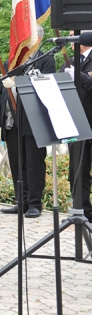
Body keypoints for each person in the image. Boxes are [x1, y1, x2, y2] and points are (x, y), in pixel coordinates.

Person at [0, 26, 56, 218]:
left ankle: (35, 203)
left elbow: (47, 87)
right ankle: (20, 201)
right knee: (17, 162)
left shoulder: (45, 59)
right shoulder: (12, 61)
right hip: (12, 120)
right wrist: (0, 120)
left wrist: (20, 83)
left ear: (37, 38)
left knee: (34, 163)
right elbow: (0, 93)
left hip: (33, 120)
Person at [64, 32, 92, 223]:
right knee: (77, 170)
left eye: (74, 34)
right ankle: (82, 212)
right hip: (75, 123)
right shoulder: (70, 61)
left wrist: (78, 75)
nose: (70, 36)